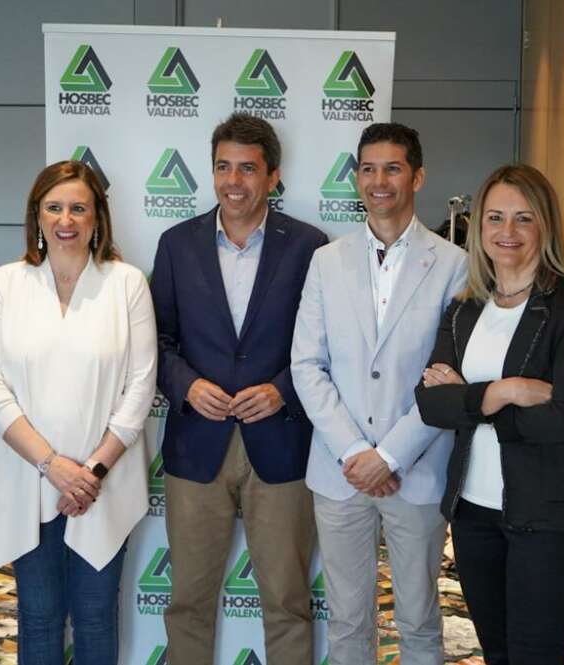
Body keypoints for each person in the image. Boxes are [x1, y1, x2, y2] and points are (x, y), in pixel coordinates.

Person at [150, 113, 327, 665]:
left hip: (281, 447)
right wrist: (187, 384)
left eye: (247, 169)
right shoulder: (176, 244)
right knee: (187, 604)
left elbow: (323, 346)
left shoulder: (309, 247)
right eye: (223, 167)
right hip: (196, 447)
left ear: (273, 176)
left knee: (287, 600)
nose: (233, 180)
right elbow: (157, 339)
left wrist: (281, 390)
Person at [416, 164, 564, 665]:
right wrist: (507, 390)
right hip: (476, 513)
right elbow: (430, 403)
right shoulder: (465, 309)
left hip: (550, 516)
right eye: (495, 218)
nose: (507, 232)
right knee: (497, 654)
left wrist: (473, 402)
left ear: (545, 225)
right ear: (479, 227)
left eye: (523, 218)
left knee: (535, 657)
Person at [290, 122, 467, 665]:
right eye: (368, 169)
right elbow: (306, 364)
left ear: (417, 175)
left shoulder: (455, 264)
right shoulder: (327, 260)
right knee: (347, 619)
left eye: (392, 168)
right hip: (340, 471)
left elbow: (446, 374)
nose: (378, 181)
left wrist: (388, 455)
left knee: (417, 617)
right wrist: (356, 453)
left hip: (416, 468)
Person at [0, 160, 156, 665]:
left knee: (97, 614)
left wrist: (90, 472)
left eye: (79, 207)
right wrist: (52, 465)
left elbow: (140, 387)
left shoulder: (127, 284)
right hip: (27, 475)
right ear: (36, 215)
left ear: (98, 218)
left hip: (102, 482)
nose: (66, 220)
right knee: (39, 614)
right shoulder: (6, 282)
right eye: (54, 207)